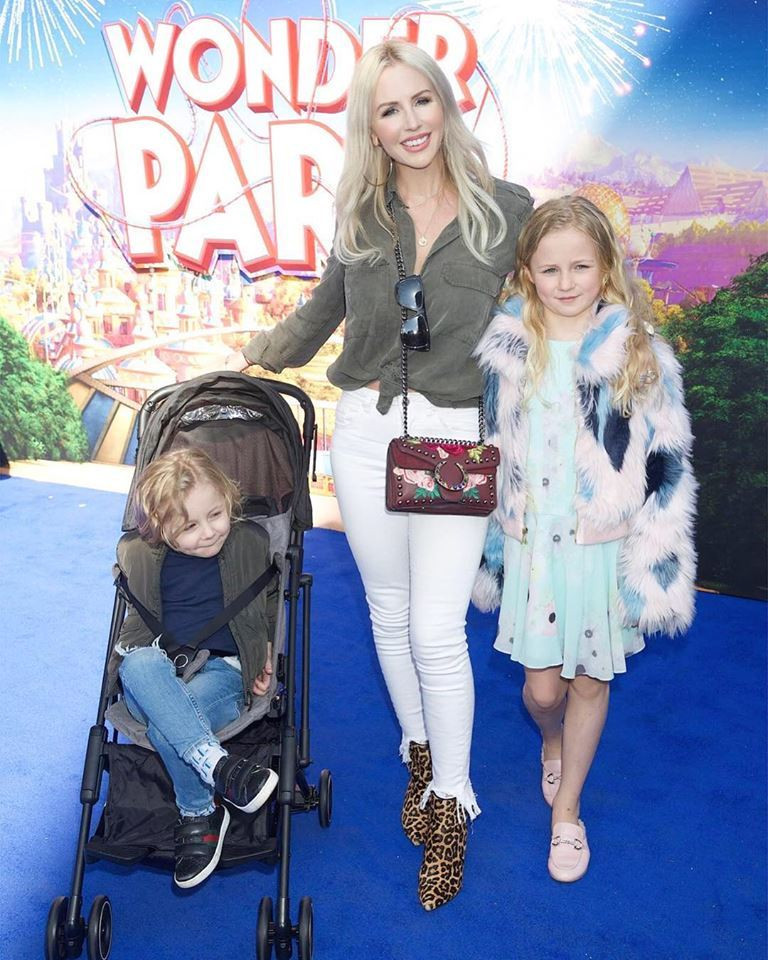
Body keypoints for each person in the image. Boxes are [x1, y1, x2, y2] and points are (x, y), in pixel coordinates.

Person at [224, 39, 532, 909]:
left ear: (445, 103)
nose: (410, 122)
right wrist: (258, 356)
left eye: (420, 100)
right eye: (388, 109)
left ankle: (451, 804)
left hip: (454, 442)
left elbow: (553, 305)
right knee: (389, 613)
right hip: (364, 434)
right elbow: (324, 309)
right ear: (371, 126)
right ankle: (419, 755)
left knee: (436, 629)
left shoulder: (508, 209)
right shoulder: (360, 215)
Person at [472, 195, 697, 882]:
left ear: (605, 269)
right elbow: (491, 443)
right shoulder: (509, 349)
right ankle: (552, 741)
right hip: (535, 549)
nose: (566, 282)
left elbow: (668, 461)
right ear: (527, 273)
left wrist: (653, 559)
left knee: (592, 683)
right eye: (550, 269)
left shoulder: (637, 352)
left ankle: (568, 812)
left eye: (580, 266)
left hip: (600, 550)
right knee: (544, 693)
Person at [110, 447, 280, 889]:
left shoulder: (248, 545)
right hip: (154, 676)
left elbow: (268, 604)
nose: (208, 532)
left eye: (216, 514)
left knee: (170, 722)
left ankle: (198, 810)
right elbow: (132, 632)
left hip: (223, 673)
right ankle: (218, 766)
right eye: (189, 526)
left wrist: (265, 648)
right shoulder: (141, 556)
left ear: (229, 500)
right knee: (138, 661)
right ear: (158, 526)